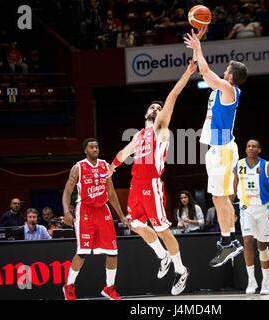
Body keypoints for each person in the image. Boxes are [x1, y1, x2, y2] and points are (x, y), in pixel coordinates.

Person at [108, 60, 197, 296]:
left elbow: (172, 96)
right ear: (146, 112)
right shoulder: (139, 135)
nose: (156, 109)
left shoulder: (161, 129)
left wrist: (187, 74)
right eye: (152, 107)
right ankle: (162, 256)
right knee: (136, 225)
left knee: (163, 231)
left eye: (159, 108)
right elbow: (123, 154)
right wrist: (111, 168)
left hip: (152, 185)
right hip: (136, 185)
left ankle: (181, 270)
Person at [184, 27, 248, 267]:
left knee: (219, 198)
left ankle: (228, 242)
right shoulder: (220, 90)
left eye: (227, 70)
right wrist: (198, 52)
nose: (224, 71)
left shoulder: (229, 90)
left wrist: (199, 47)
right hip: (219, 149)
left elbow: (207, 72)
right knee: (221, 199)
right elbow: (204, 73)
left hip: (221, 150)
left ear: (230, 77)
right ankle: (230, 240)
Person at [62, 138, 129, 300]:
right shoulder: (78, 167)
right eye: (92, 147)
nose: (95, 149)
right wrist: (66, 212)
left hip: (103, 210)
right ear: (85, 150)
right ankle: (69, 287)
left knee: (113, 252)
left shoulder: (105, 166)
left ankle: (109, 288)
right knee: (82, 252)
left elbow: (111, 193)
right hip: (85, 210)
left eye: (97, 146)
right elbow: (66, 191)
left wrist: (121, 215)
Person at [232, 139, 269, 295]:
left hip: (263, 208)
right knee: (247, 240)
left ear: (259, 149)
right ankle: (251, 280)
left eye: (254, 146)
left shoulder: (268, 166)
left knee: (262, 246)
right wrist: (230, 208)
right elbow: (233, 188)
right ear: (245, 149)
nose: (251, 148)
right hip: (246, 208)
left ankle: (266, 280)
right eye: (248, 146)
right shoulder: (238, 165)